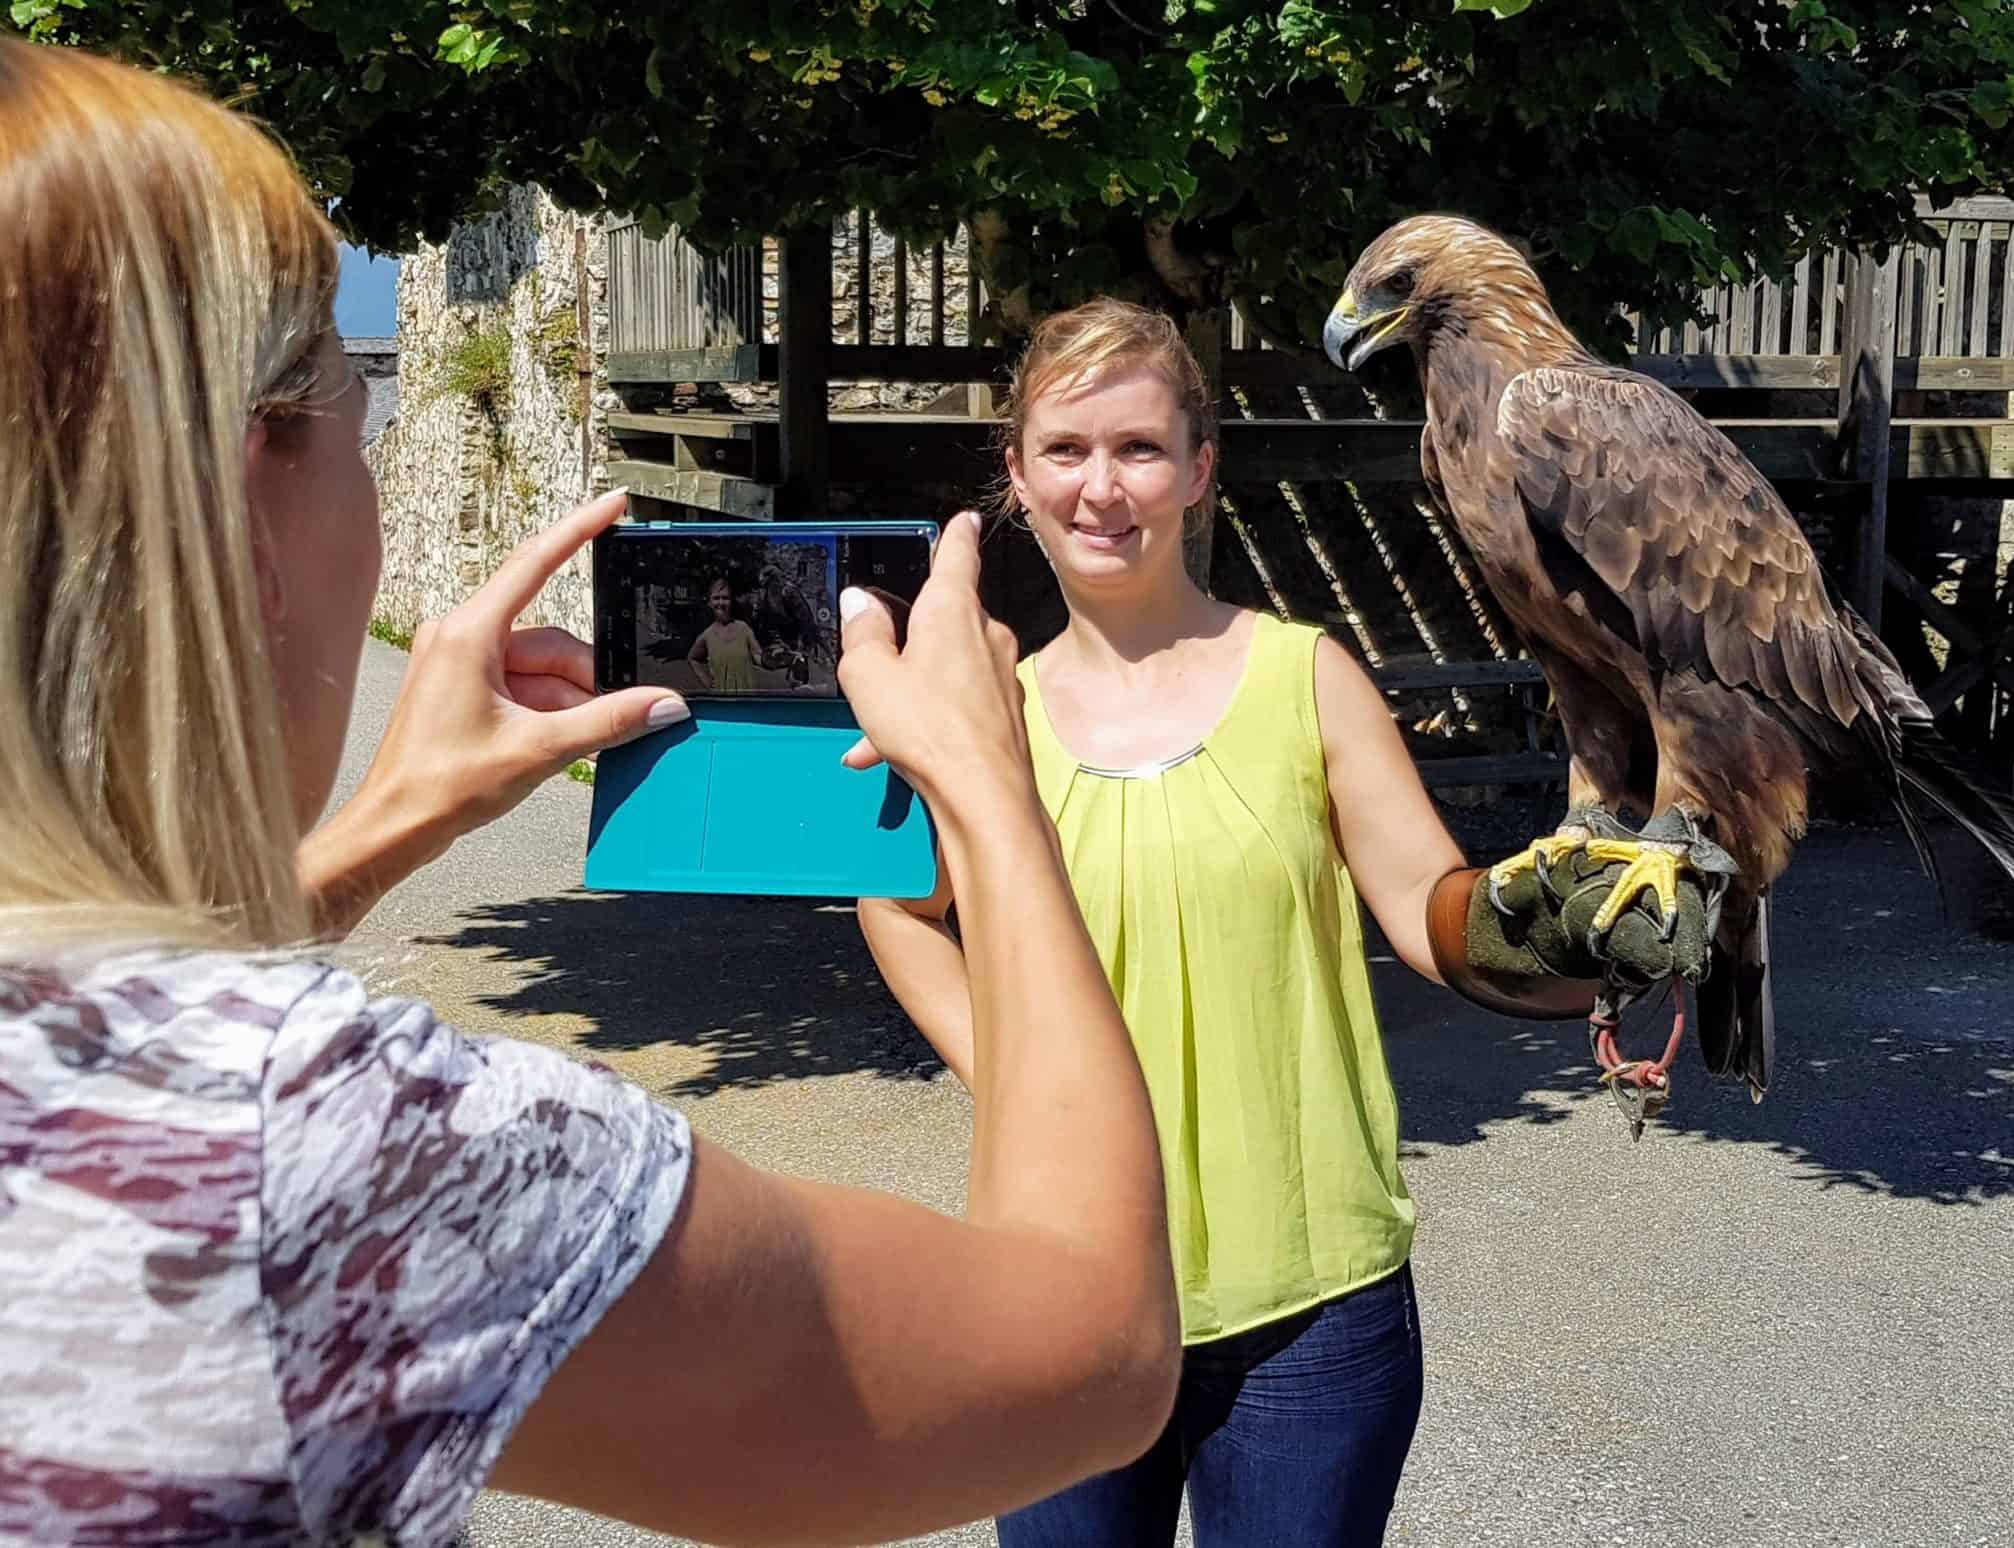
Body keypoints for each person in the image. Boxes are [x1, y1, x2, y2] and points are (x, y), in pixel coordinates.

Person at [0, 37, 1179, 1547]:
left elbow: (105, 1025)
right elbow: (1082, 1353)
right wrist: (990, 791)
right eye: (353, 429)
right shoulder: (319, 1149)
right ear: (243, 500)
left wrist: (377, 832)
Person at [857, 299, 1606, 1548]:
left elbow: (1433, 910)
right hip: (1052, 1293)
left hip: (1308, 1302)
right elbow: (895, 903)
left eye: (1141, 449)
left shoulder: (1305, 677)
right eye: (1067, 451)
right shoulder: (974, 714)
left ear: (1200, 470)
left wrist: (1567, 953)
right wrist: (1007, 1071)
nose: (1104, 487)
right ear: (1017, 476)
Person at [688, 574, 766, 691]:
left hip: (747, 701)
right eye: (716, 598)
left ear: (731, 601)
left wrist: (773, 660)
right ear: (709, 603)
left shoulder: (744, 629)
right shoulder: (707, 635)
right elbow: (692, 658)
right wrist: (708, 683)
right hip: (721, 703)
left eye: (725, 598)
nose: (721, 603)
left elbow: (758, 655)